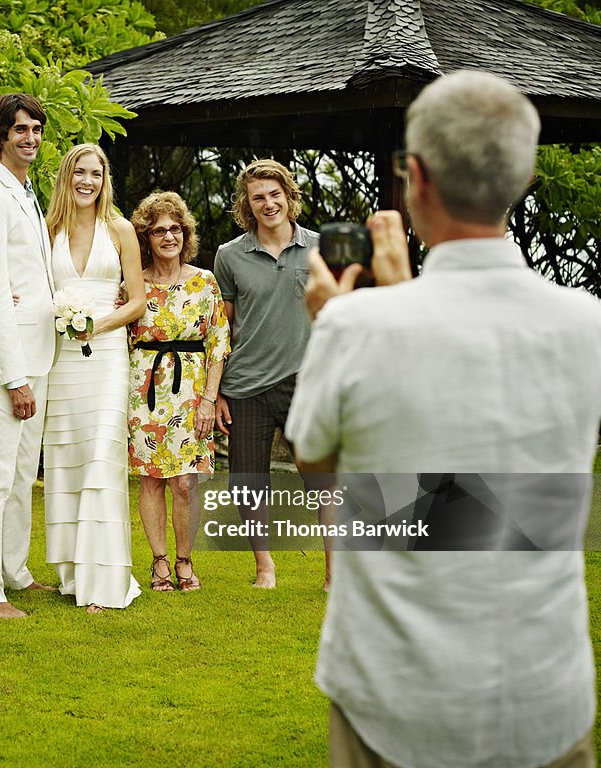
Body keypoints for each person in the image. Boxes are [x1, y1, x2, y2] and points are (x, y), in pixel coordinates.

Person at [285, 70, 601, 768]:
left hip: (394, 699)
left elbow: (315, 461)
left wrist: (342, 320)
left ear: (416, 178)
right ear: (520, 178)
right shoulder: (587, 324)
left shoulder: (354, 325)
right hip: (544, 694)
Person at [213, 158, 331, 589]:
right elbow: (221, 327)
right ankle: (265, 568)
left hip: (307, 382)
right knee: (248, 483)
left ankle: (333, 574)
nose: (268, 203)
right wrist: (217, 390)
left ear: (289, 196)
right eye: (258, 197)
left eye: (274, 194)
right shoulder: (229, 256)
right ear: (247, 204)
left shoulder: (321, 249)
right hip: (246, 385)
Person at [42, 144, 147, 613]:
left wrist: (95, 324)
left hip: (104, 356)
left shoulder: (120, 229)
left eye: (96, 174)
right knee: (68, 456)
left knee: (103, 456)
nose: (88, 181)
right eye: (80, 172)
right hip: (61, 359)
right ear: (67, 177)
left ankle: (104, 582)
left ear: (105, 180)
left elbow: (138, 301)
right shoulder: (47, 230)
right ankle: (72, 574)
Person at [0, 93, 57, 619]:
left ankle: (14, 570)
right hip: (9, 361)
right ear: (1, 135)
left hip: (40, 354)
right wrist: (14, 376)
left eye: (37, 130)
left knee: (24, 474)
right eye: (21, 130)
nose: (31, 138)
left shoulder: (27, 193)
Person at [128, 191, 230, 593]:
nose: (168, 236)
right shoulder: (133, 286)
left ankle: (185, 560)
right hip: (144, 392)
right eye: (158, 231)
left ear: (185, 234)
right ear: (147, 238)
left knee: (185, 482)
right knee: (151, 481)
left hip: (190, 393)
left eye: (175, 229)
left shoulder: (204, 282)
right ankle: (159, 564)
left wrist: (209, 399)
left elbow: (219, 344)